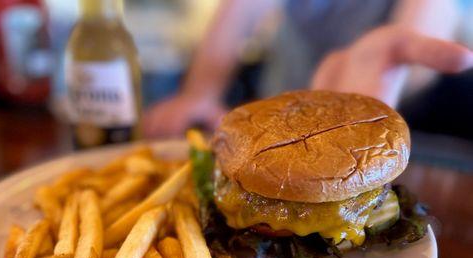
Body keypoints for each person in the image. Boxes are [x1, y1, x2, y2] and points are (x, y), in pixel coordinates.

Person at [143, 0, 473, 138]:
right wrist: (199, 93)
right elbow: (240, 12)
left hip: (389, 116)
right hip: (278, 106)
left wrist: (388, 71)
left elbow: (423, 41)